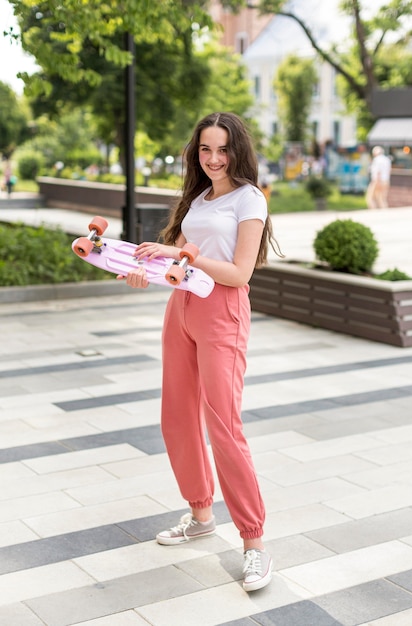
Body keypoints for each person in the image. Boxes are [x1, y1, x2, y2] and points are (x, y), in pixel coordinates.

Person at [120, 112, 282, 592]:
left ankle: (254, 544)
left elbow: (239, 273)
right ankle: (200, 514)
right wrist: (144, 267)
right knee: (177, 417)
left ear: (238, 150)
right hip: (183, 308)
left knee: (224, 426)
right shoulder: (199, 196)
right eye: (205, 149)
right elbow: (177, 260)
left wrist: (181, 255)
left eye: (222, 149)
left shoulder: (249, 198)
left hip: (222, 311)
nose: (213, 159)